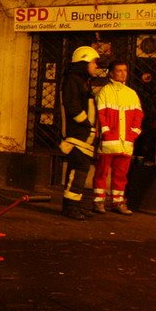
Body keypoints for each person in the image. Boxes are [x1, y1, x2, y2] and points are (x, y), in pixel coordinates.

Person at [93, 60, 143, 214]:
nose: (123, 73)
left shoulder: (131, 93)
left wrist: (133, 132)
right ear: (111, 73)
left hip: (126, 141)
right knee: (102, 172)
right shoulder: (105, 92)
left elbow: (138, 114)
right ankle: (98, 201)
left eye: (125, 70)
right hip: (110, 140)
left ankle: (117, 202)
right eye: (119, 70)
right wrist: (107, 133)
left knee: (121, 174)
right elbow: (101, 115)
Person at [59, 46, 100, 220]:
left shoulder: (82, 81)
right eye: (93, 62)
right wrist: (86, 123)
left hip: (83, 134)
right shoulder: (72, 80)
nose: (96, 66)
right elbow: (72, 105)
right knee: (79, 168)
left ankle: (73, 204)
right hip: (77, 134)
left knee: (79, 169)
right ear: (84, 62)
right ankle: (71, 207)